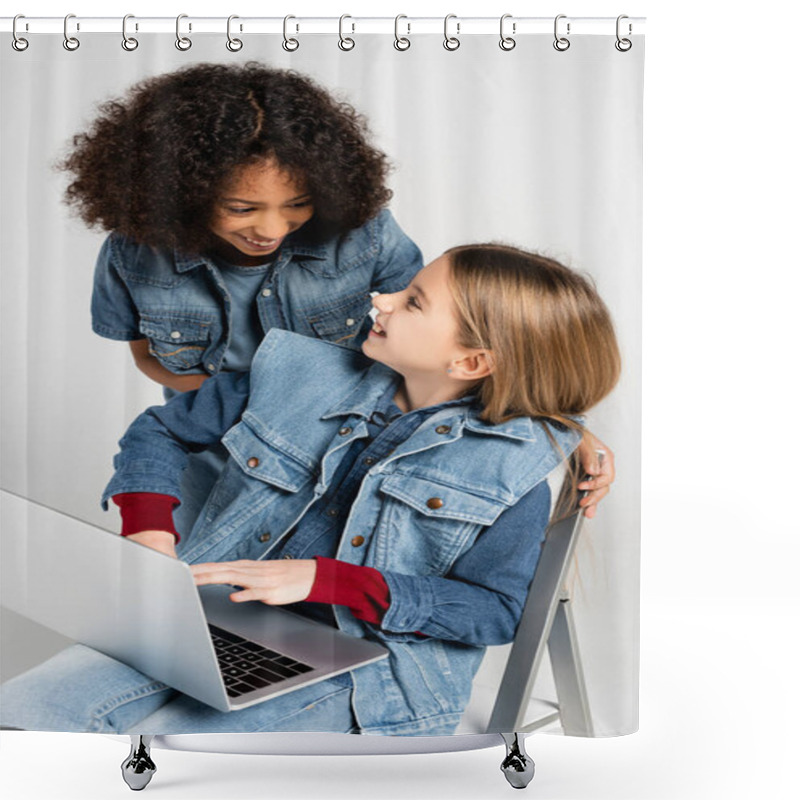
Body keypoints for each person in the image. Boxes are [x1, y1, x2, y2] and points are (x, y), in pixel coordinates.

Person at [0, 244, 621, 736]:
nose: (381, 298)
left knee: (172, 754)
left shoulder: (511, 473)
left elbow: (495, 610)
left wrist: (328, 582)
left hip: (368, 670)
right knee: (28, 715)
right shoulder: (292, 369)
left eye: (413, 302)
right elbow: (160, 431)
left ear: (472, 363)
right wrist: (147, 529)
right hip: (202, 621)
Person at [61, 61, 615, 526]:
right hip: (210, 444)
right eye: (241, 208)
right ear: (184, 193)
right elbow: (146, 360)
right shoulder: (135, 254)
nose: (272, 229)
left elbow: (450, 342)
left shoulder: (362, 232)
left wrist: (554, 429)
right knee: (207, 599)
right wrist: (264, 399)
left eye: (296, 203)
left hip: (341, 442)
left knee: (305, 608)